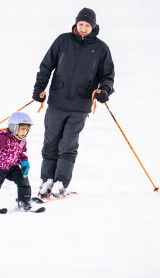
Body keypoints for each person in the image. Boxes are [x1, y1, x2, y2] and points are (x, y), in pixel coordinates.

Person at [32, 7, 115, 197]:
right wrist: (39, 88)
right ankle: (47, 180)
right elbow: (46, 66)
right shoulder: (63, 40)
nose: (84, 28)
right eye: (81, 24)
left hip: (80, 105)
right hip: (57, 102)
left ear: (93, 27)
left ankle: (61, 181)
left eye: (87, 25)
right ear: (76, 24)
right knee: (50, 142)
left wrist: (104, 90)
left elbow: (108, 76)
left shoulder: (101, 49)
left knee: (68, 145)